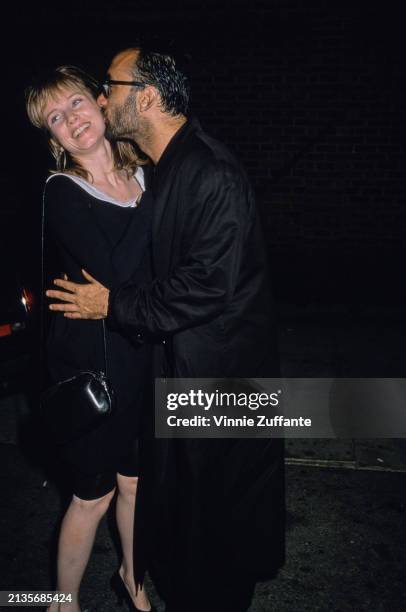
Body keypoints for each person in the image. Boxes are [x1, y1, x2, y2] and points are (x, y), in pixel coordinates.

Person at [47, 48, 286, 612]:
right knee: (113, 494)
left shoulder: (192, 171)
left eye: (102, 90)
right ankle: (57, 601)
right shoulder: (148, 172)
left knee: (197, 502)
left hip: (212, 374)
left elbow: (202, 288)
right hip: (130, 365)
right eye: (56, 116)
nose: (99, 102)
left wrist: (113, 303)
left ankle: (157, 586)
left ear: (145, 98)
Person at [25, 66, 154, 612]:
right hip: (90, 370)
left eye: (76, 103)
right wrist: (160, 196)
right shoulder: (63, 191)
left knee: (134, 483)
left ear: (101, 103)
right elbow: (120, 268)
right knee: (92, 494)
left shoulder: (146, 176)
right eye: (56, 118)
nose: (71, 119)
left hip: (142, 355)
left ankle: (132, 577)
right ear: (52, 138)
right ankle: (62, 602)